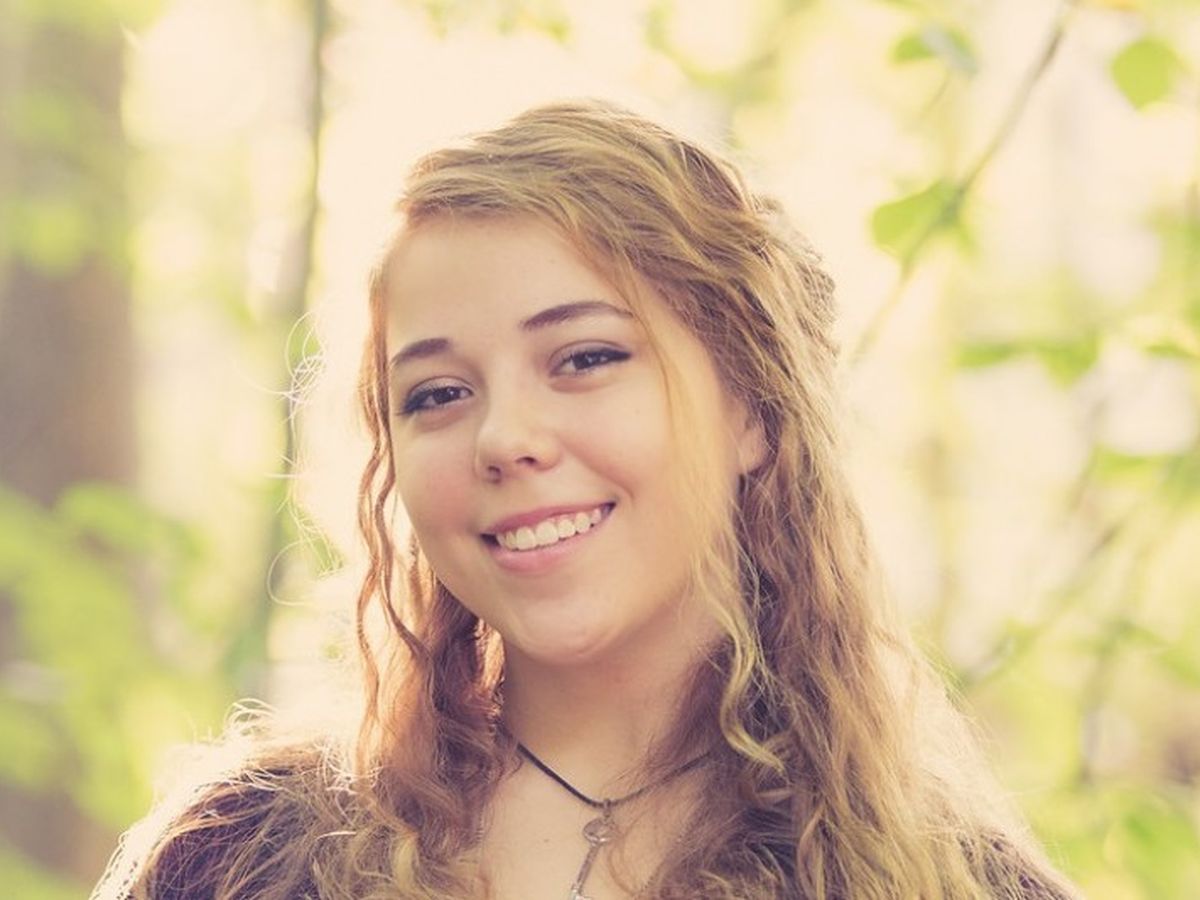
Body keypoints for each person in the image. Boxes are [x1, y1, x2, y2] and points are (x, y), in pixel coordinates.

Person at [94, 99, 1079, 899]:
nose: (503, 438)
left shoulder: (952, 883)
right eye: (437, 394)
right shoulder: (235, 860)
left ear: (752, 407)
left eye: (584, 358)